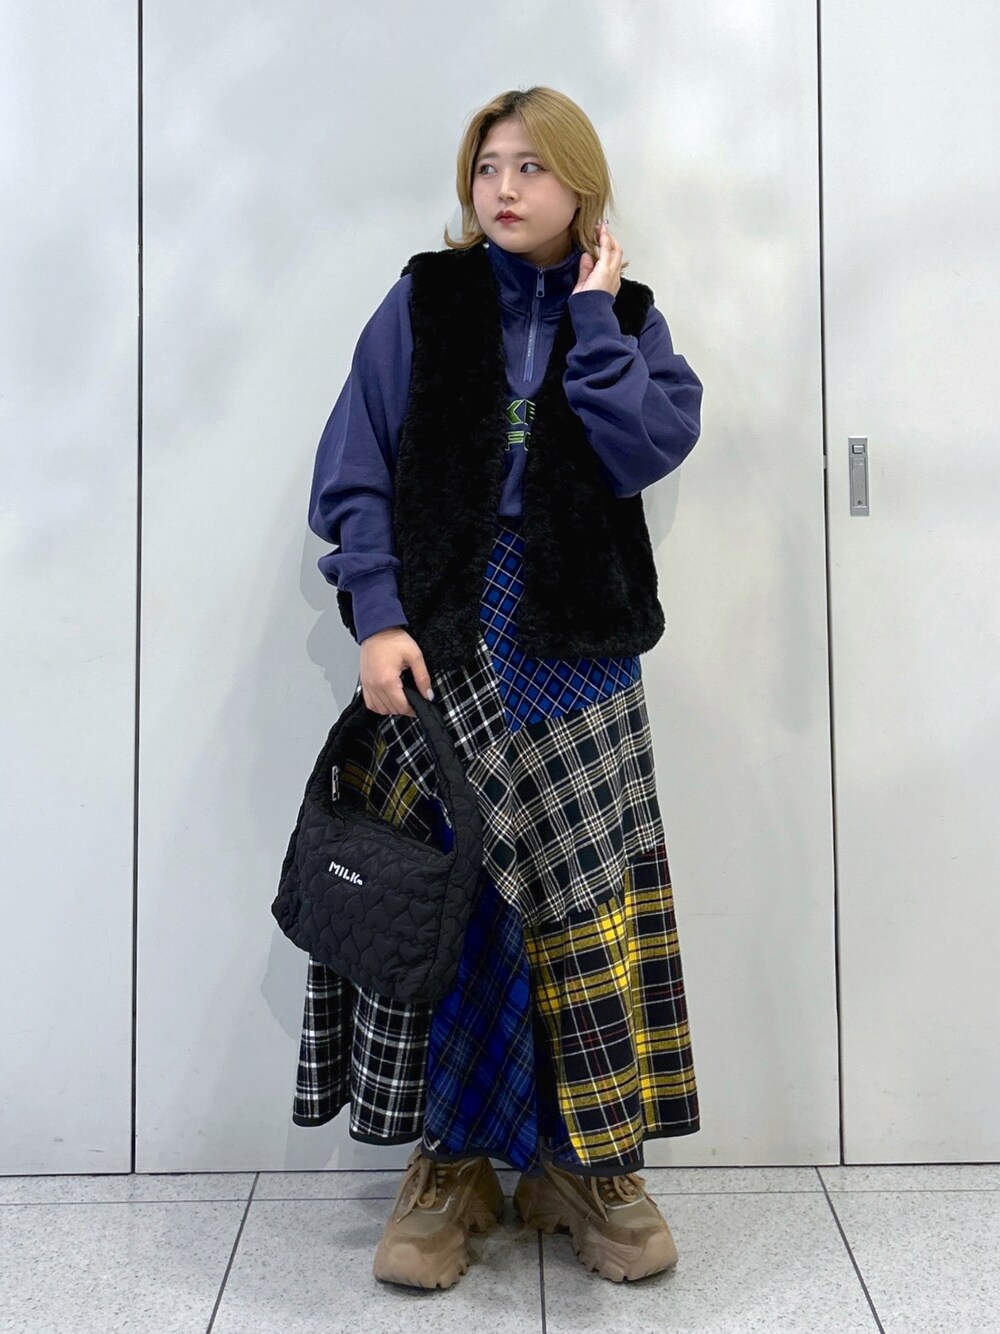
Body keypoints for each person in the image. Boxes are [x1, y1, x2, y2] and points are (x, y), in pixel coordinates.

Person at [296, 85, 703, 1290]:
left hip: (580, 651)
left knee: (584, 901)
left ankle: (587, 1165)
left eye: (530, 166)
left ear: (581, 184)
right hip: (447, 643)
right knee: (458, 904)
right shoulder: (423, 302)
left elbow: (643, 449)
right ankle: (455, 1162)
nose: (505, 188)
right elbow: (355, 467)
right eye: (487, 167)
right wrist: (378, 616)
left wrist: (593, 324)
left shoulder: (627, 316)